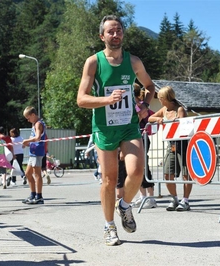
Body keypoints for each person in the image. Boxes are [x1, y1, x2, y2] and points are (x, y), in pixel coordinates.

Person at [77, 15, 155, 246]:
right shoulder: (93, 62)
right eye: (110, 31)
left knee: (137, 171)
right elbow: (81, 99)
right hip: (104, 128)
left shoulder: (133, 62)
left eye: (119, 30)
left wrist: (145, 106)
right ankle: (109, 226)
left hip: (129, 125)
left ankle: (124, 205)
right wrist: (107, 100)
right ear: (102, 36)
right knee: (109, 180)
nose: (115, 34)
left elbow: (149, 86)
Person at [148, 86, 192, 211]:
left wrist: (174, 122)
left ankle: (185, 200)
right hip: (171, 145)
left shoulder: (180, 109)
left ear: (165, 98)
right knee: (167, 173)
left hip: (183, 145)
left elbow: (182, 127)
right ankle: (174, 198)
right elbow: (150, 118)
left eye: (160, 98)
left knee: (186, 174)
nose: (159, 100)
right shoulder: (164, 110)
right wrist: (158, 119)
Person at [133, 83, 156, 209]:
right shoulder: (133, 105)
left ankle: (151, 197)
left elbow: (141, 118)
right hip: (134, 138)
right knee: (137, 168)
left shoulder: (141, 106)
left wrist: (138, 114)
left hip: (142, 137)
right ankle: (142, 196)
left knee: (144, 167)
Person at [22, 106, 47, 205]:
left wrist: (27, 141)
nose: (28, 120)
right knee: (28, 174)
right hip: (32, 152)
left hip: (37, 152)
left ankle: (39, 196)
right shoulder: (34, 124)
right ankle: (32, 194)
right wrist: (27, 143)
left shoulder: (38, 124)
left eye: (28, 118)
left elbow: (37, 137)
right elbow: (33, 137)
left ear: (33, 115)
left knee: (37, 174)